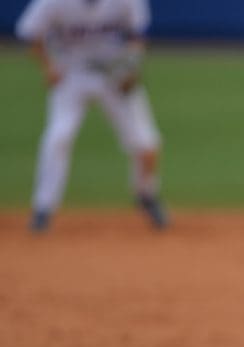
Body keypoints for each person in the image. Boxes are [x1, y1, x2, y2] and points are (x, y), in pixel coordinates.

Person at [16, 0, 168, 233]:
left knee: (146, 143)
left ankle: (146, 194)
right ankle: (43, 208)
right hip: (72, 75)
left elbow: (137, 37)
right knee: (59, 136)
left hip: (114, 75)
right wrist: (49, 67)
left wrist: (131, 69)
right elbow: (30, 32)